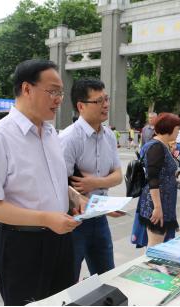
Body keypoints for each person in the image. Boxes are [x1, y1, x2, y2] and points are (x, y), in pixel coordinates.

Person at [0, 59, 83, 305]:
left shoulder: (52, 133)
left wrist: (73, 196)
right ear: (26, 89)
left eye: (61, 92)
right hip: (22, 245)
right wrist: (45, 218)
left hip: (61, 238)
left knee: (63, 301)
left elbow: (50, 180)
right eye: (53, 91)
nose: (59, 99)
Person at [59, 78, 124, 282]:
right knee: (69, 280)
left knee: (106, 276)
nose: (105, 105)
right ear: (81, 106)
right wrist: (89, 196)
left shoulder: (109, 136)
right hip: (74, 223)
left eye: (106, 99)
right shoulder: (69, 138)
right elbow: (60, 184)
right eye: (98, 101)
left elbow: (118, 176)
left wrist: (93, 183)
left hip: (100, 219)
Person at [136, 112, 180, 247]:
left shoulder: (160, 145)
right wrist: (157, 208)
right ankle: (151, 268)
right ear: (169, 129)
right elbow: (153, 178)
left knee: (158, 244)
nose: (178, 133)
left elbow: (161, 174)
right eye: (177, 129)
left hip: (161, 203)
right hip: (157, 204)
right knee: (155, 246)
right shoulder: (156, 146)